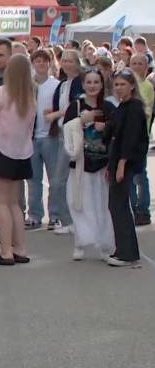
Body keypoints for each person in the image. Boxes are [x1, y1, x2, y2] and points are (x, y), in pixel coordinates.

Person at [0, 54, 36, 265]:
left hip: (0, 152)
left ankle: (5, 251)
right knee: (15, 203)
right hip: (22, 153)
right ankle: (20, 249)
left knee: (1, 203)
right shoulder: (31, 97)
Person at [62, 69, 115, 260]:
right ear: (83, 84)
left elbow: (117, 131)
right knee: (78, 203)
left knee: (102, 204)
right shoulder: (76, 106)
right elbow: (66, 129)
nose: (92, 86)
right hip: (81, 163)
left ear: (102, 85)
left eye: (96, 82)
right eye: (89, 82)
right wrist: (81, 120)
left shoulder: (108, 107)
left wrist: (105, 127)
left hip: (102, 163)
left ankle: (104, 244)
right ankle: (80, 242)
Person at [105, 70, 149, 267]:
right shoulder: (122, 106)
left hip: (126, 162)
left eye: (123, 84)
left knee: (120, 205)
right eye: (117, 84)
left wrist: (122, 164)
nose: (119, 88)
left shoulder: (135, 108)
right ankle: (123, 249)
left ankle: (127, 253)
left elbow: (130, 138)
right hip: (115, 160)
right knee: (116, 205)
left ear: (132, 86)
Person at [46, 50, 84, 234]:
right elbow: (60, 106)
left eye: (71, 60)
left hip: (74, 134)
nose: (67, 64)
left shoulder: (80, 83)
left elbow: (74, 107)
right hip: (61, 134)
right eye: (64, 60)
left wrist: (56, 114)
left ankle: (69, 221)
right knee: (60, 180)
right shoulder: (62, 85)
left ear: (78, 63)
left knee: (60, 181)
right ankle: (68, 220)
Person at [25, 49, 62, 230]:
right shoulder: (27, 85)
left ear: (49, 63)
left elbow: (63, 107)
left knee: (54, 179)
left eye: (44, 61)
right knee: (33, 180)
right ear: (32, 64)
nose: (41, 64)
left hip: (50, 135)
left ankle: (55, 214)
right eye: (37, 61)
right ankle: (34, 215)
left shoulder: (56, 85)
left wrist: (54, 116)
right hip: (31, 137)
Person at [128, 53, 154, 226]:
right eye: (134, 63)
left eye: (140, 64)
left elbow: (143, 111)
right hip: (126, 137)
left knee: (139, 174)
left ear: (146, 67)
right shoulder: (127, 85)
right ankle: (131, 207)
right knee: (128, 176)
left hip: (140, 136)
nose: (136, 66)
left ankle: (143, 210)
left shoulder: (147, 87)